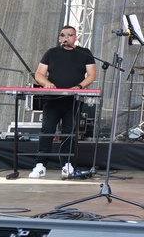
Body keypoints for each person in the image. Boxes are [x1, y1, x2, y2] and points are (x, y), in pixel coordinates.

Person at [28, 25, 97, 178]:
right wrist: (46, 83)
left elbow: (92, 74)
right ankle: (40, 165)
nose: (67, 37)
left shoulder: (84, 53)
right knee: (47, 130)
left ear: (75, 37)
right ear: (60, 38)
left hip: (73, 99)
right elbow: (39, 74)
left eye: (70, 34)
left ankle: (67, 164)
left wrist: (79, 86)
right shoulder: (51, 53)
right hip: (52, 99)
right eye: (63, 34)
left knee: (69, 132)